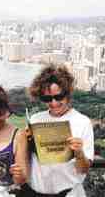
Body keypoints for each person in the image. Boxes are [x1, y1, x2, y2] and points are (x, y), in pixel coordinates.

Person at [24, 63, 94, 197]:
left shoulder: (82, 122)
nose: (54, 103)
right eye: (47, 98)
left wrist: (79, 152)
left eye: (59, 97)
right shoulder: (35, 120)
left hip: (69, 194)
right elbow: (26, 158)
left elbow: (84, 169)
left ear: (68, 94)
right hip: (36, 193)